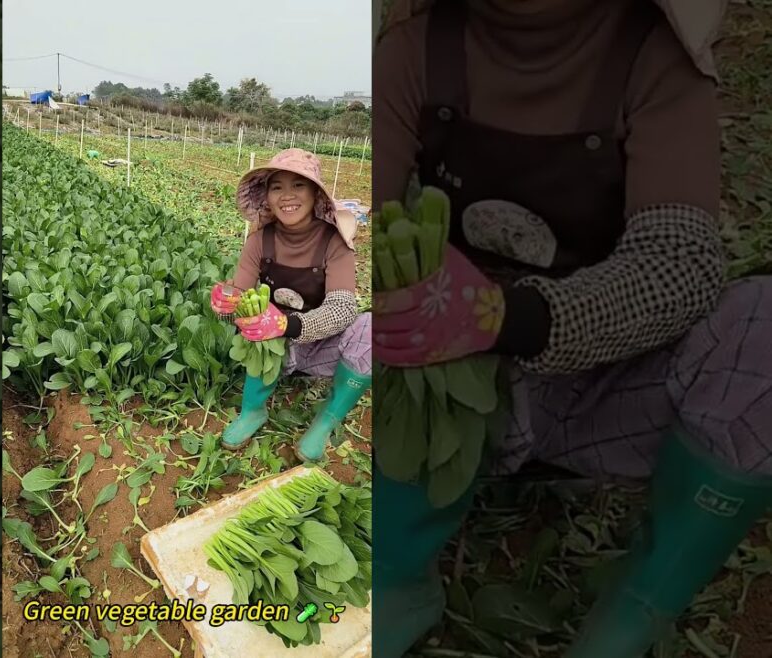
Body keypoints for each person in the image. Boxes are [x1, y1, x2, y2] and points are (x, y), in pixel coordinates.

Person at [373, 1, 771, 657]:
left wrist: (505, 316)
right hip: (470, 396)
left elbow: (679, 265)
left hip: (617, 381)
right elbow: (357, 225)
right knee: (380, 316)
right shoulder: (412, 52)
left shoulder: (656, 57)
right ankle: (391, 573)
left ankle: (639, 606)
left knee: (764, 329)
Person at [208, 148, 372, 462]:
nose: (287, 195)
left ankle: (327, 419)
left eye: (298, 185)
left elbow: (342, 309)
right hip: (278, 349)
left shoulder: (334, 241)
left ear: (315, 194)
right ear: (266, 196)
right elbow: (239, 295)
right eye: (277, 186)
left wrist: (288, 324)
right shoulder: (259, 241)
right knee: (253, 316)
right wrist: (227, 303)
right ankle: (252, 411)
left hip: (321, 345)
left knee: (371, 330)